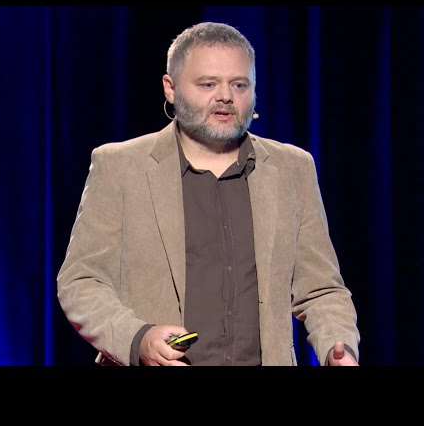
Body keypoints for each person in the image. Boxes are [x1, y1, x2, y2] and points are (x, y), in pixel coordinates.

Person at [57, 22, 360, 366]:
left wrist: (339, 348)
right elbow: (82, 282)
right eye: (208, 84)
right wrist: (138, 339)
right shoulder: (120, 167)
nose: (226, 96)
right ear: (170, 88)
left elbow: (321, 289)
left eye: (239, 84)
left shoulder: (293, 169)